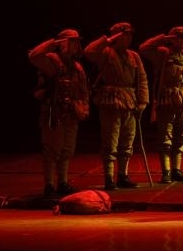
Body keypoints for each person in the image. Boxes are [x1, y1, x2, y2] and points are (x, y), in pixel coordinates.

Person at [84, 22, 149, 190]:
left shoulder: (134, 56)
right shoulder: (105, 52)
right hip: (111, 101)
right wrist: (109, 39)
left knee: (128, 140)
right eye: (124, 35)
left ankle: (123, 175)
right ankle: (109, 177)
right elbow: (89, 52)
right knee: (110, 139)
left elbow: (142, 79)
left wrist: (143, 101)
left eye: (129, 35)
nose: (128, 38)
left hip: (130, 101)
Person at [139, 26, 183, 183]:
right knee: (166, 138)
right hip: (167, 101)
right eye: (179, 37)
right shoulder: (163, 54)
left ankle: (176, 169)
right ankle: (166, 171)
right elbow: (144, 48)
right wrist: (164, 38)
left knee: (180, 137)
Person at [29, 29, 90, 197]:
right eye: (72, 41)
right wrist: (55, 43)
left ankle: (63, 182)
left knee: (67, 149)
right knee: (51, 149)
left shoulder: (77, 67)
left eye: (77, 41)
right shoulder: (52, 61)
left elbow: (84, 91)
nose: (76, 45)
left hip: (72, 112)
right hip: (54, 112)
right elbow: (34, 56)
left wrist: (84, 108)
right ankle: (49, 184)